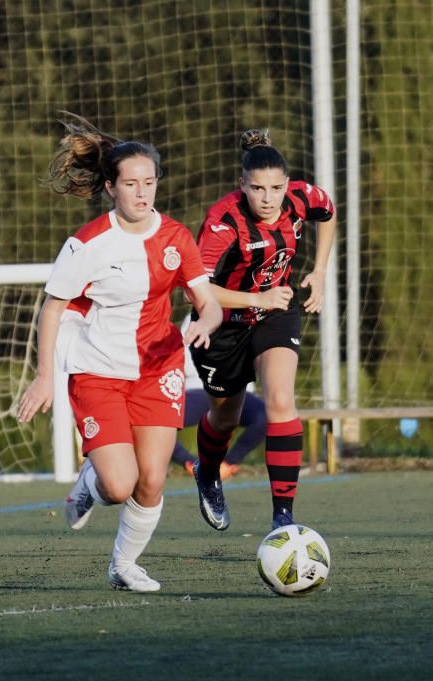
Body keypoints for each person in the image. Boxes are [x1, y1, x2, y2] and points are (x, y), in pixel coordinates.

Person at [17, 113, 222, 592]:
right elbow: (52, 310)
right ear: (111, 187)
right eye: (131, 183)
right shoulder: (87, 244)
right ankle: (90, 483)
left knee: (152, 479)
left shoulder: (176, 237)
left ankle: (123, 567)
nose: (142, 192)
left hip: (159, 369)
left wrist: (203, 324)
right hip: (98, 373)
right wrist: (46, 376)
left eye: (149, 182)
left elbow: (207, 304)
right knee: (118, 485)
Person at [189, 128, 336, 532]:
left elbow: (328, 212)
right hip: (221, 324)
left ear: (287, 185)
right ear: (242, 185)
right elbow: (198, 287)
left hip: (276, 313)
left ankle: (283, 518)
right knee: (225, 417)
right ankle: (208, 471)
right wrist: (257, 299)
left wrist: (320, 271)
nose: (268, 198)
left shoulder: (302, 198)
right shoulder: (223, 221)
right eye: (257, 188)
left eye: (275, 188)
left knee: (280, 399)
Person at [171, 316, 266, 478]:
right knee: (159, 421)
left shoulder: (250, 314)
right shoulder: (196, 315)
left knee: (267, 415)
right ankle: (191, 464)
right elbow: (182, 358)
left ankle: (227, 464)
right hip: (199, 389)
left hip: (239, 391)